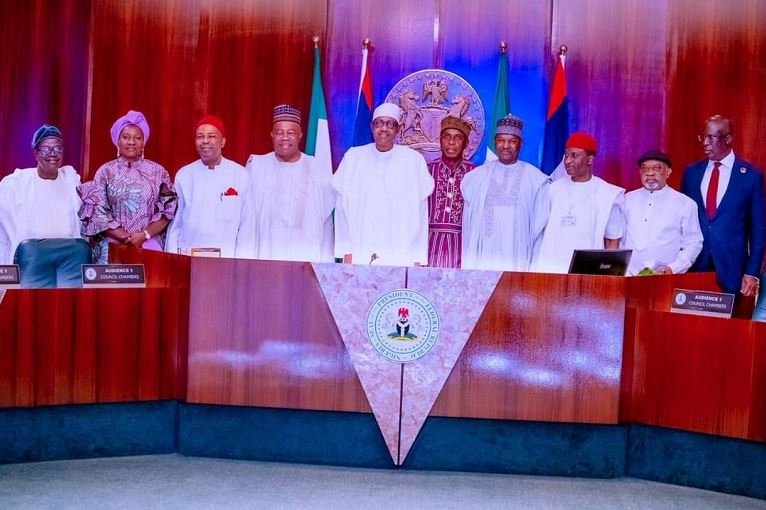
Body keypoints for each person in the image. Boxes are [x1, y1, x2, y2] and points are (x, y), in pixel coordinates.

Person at [333, 102, 434, 267]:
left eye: (390, 124)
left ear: (399, 129)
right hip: (360, 248)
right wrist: (345, 251)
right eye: (379, 123)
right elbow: (341, 209)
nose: (384, 129)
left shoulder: (413, 160)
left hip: (400, 251)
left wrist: (418, 257)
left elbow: (421, 213)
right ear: (372, 127)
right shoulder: (353, 157)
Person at [680, 115, 764, 296]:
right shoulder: (691, 173)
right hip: (694, 267)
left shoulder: (751, 176)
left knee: (730, 324)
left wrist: (752, 272)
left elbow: (759, 229)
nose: (705, 143)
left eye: (711, 137)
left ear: (728, 138)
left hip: (733, 269)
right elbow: (682, 221)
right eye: (702, 137)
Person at [78, 110, 177, 263]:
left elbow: (168, 211)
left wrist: (144, 235)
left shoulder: (158, 172)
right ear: (118, 141)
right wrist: (126, 238)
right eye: (126, 137)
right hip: (111, 248)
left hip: (149, 246)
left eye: (137, 138)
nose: (131, 142)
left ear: (143, 142)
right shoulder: (105, 172)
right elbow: (98, 212)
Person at [0, 125, 88, 286]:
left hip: (67, 265)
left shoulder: (71, 181)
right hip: (29, 265)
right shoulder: (15, 184)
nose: (52, 154)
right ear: (35, 153)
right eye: (46, 149)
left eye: (58, 149)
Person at [245, 105, 334, 262]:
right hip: (266, 257)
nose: (284, 137)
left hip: (306, 260)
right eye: (279, 133)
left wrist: (326, 265)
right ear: (272, 135)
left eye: (290, 133)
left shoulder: (318, 170)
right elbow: (246, 219)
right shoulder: (257, 167)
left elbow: (327, 223)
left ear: (300, 135)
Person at [461, 114, 549, 271]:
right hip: (485, 255)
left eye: (512, 141)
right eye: (501, 140)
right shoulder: (476, 177)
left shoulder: (535, 180)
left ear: (520, 144)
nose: (506, 146)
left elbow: (539, 228)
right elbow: (469, 225)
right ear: (495, 143)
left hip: (518, 254)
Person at [534, 132, 626, 274]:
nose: (567, 161)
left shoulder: (607, 194)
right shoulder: (553, 189)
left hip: (587, 271)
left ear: (589, 160)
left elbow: (612, 240)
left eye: (574, 156)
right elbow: (538, 231)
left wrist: (609, 276)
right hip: (551, 269)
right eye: (566, 155)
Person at [166, 116, 254, 258]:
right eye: (200, 137)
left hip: (227, 259)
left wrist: (242, 261)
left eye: (211, 136)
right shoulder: (184, 175)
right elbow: (176, 223)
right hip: (189, 256)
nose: (205, 141)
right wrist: (173, 257)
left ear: (223, 141)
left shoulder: (240, 174)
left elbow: (247, 224)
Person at [622, 150, 703, 275]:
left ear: (668, 172)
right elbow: (618, 238)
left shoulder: (685, 203)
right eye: (645, 169)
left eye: (656, 168)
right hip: (628, 276)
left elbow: (694, 242)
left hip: (666, 277)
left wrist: (674, 268)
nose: (650, 173)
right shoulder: (627, 199)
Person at [426, 116, 476, 268]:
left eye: (458, 138)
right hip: (429, 243)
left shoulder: (476, 174)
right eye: (446, 137)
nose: (451, 142)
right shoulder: (426, 170)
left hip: (463, 244)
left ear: (466, 143)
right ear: (440, 141)